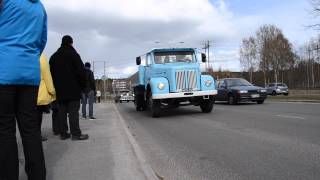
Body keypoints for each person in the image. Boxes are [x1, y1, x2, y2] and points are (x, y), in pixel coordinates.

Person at [0, 0, 47, 179]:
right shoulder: (39, 7)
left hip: (3, 71)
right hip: (29, 74)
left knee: (4, 130)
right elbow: (42, 41)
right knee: (30, 129)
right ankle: (38, 175)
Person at [49, 35, 89, 141]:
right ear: (71, 43)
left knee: (61, 111)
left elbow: (50, 74)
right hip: (73, 89)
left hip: (59, 90)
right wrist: (82, 86)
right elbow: (81, 72)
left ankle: (63, 133)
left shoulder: (53, 57)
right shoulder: (74, 55)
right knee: (73, 111)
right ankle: (75, 134)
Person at [36, 55, 56, 142]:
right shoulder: (41, 57)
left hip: (24, 92)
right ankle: (37, 135)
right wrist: (52, 91)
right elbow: (47, 76)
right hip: (39, 93)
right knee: (37, 116)